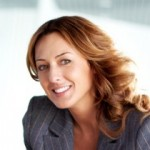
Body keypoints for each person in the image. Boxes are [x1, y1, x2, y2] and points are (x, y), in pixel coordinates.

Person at [23, 16, 150, 150]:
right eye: (43, 66)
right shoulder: (39, 117)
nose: (52, 77)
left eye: (65, 61)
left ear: (94, 64)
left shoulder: (142, 128)